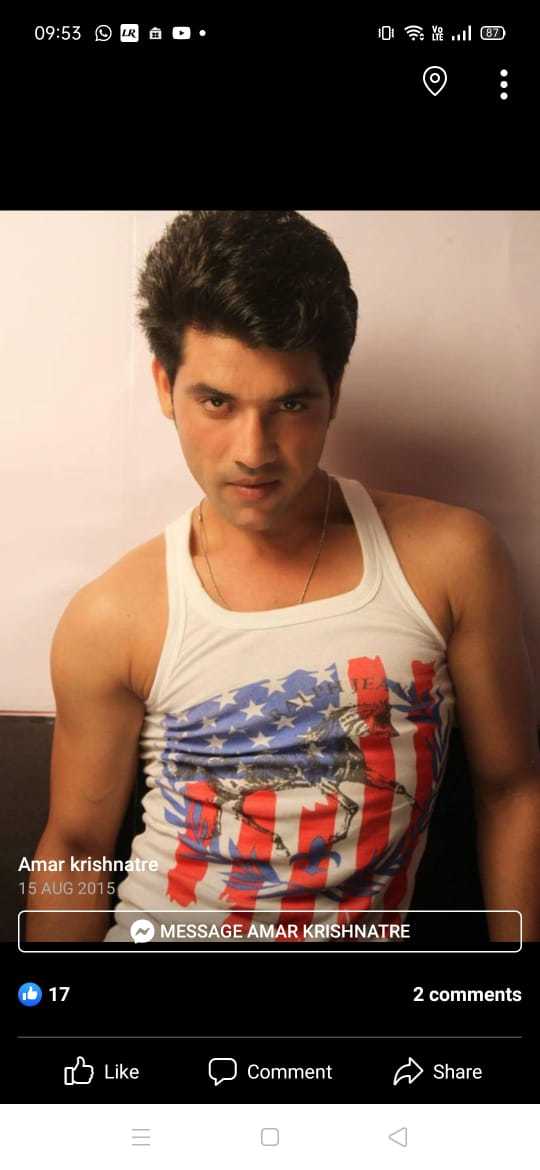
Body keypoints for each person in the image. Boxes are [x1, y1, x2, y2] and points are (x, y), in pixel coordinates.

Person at [27, 210, 540, 945]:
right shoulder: (113, 615)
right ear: (164, 385)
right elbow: (75, 846)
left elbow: (513, 790)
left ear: (335, 391)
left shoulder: (451, 560)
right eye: (216, 402)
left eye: (291, 405)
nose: (253, 451)